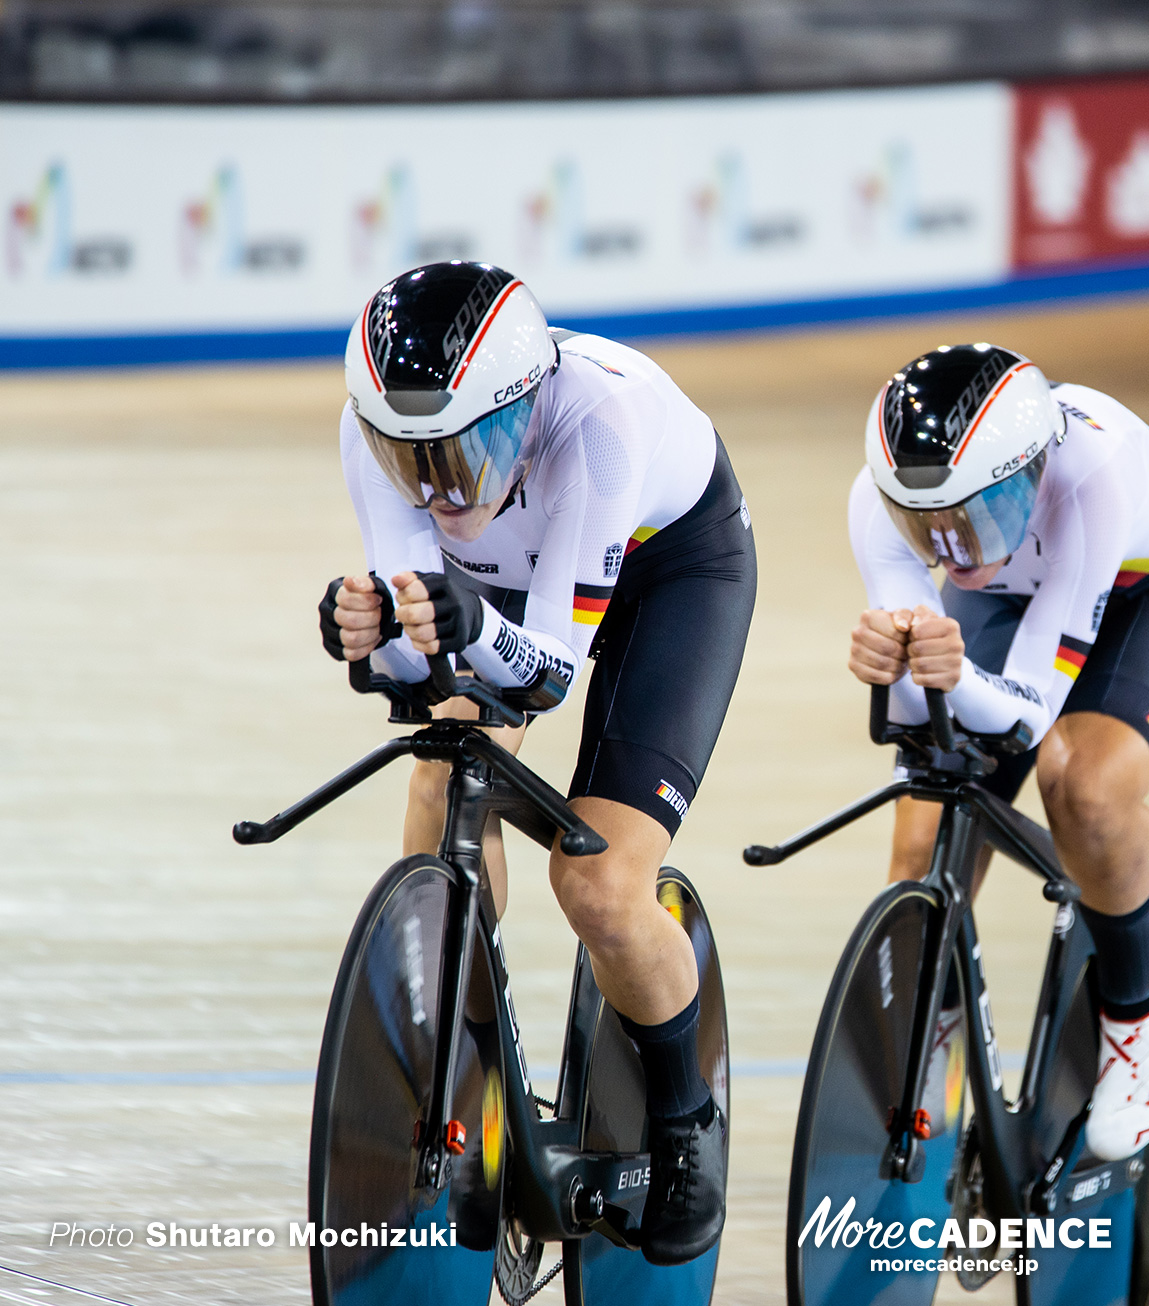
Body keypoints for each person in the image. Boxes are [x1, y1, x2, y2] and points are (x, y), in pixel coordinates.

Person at [318, 261, 755, 1265]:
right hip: (506, 591)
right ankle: (462, 1064)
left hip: (672, 569)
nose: (434, 485)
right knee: (441, 777)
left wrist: (459, 620)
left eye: (462, 450)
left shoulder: (597, 424)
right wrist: (368, 631)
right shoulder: (365, 433)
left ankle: (687, 1121)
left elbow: (547, 670)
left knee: (600, 882)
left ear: (520, 408)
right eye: (408, 455)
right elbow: (412, 660)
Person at [845, 343, 1149, 1164]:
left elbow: (1026, 716)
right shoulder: (879, 500)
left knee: (1085, 789)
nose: (950, 547)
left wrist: (945, 674)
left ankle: (1137, 1011)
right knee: (921, 835)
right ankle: (941, 1017)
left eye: (970, 518)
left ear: (1028, 472)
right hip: (1016, 595)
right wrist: (893, 667)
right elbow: (928, 712)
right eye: (927, 527)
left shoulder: (1091, 473)